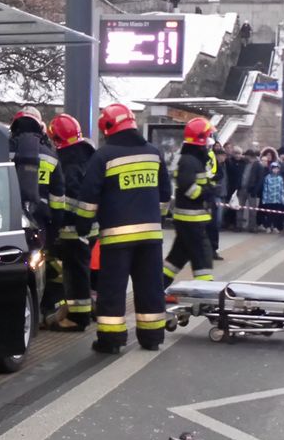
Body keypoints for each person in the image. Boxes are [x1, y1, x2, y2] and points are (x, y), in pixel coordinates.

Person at [72, 103, 172, 354]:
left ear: (107, 126)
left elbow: (88, 198)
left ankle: (112, 340)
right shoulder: (153, 153)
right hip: (151, 237)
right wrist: (153, 219)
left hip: (117, 237)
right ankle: (152, 337)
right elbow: (165, 194)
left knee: (112, 291)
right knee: (150, 288)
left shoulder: (103, 156)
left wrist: (83, 226)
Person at [9, 106, 65, 316]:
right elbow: (58, 200)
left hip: (5, 222)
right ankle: (40, 309)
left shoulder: (2, 151)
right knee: (38, 266)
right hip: (39, 224)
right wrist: (55, 230)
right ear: (41, 128)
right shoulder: (51, 157)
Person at [45, 113, 96, 331]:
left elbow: (69, 199)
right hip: (90, 227)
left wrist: (54, 218)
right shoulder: (88, 155)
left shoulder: (68, 162)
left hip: (73, 229)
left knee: (76, 275)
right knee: (79, 271)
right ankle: (83, 311)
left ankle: (78, 319)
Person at [162, 118, 217, 287]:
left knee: (177, 258)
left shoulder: (194, 159)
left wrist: (210, 187)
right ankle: (206, 292)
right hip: (191, 220)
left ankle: (156, 288)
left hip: (191, 219)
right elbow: (189, 188)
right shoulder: (189, 160)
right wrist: (207, 193)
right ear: (200, 139)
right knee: (203, 257)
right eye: (208, 137)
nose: (210, 142)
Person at [238, 148, 266, 232]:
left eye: (246, 155)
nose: (244, 157)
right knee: (239, 208)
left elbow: (260, 180)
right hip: (242, 189)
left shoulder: (258, 165)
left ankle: (252, 226)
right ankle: (239, 226)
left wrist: (255, 191)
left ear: (249, 156)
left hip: (251, 190)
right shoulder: (244, 164)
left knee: (252, 210)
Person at [261, 162, 284, 231]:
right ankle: (268, 226)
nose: (275, 170)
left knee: (276, 214)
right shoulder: (267, 177)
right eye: (274, 169)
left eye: (277, 169)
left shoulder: (280, 178)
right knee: (269, 213)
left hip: (277, 199)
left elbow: (282, 189)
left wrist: (283, 199)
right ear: (271, 169)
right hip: (269, 199)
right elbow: (265, 189)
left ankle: (275, 226)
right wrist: (264, 199)